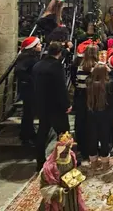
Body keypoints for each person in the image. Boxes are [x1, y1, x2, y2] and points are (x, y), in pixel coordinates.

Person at [33, 42, 72, 170]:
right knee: (63, 133)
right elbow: (61, 88)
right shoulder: (56, 66)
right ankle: (63, 160)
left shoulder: (38, 65)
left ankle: (39, 161)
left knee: (42, 132)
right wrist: (66, 104)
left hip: (41, 104)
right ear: (59, 53)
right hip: (56, 106)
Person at [38, 132, 87, 211]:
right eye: (63, 151)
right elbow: (44, 188)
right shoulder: (49, 168)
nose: (65, 153)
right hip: (59, 199)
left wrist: (76, 179)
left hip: (72, 195)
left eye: (67, 149)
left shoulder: (71, 156)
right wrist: (60, 190)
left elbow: (73, 171)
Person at [14, 36, 42, 145]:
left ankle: (28, 133)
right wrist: (31, 80)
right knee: (29, 112)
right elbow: (20, 71)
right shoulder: (27, 58)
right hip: (29, 89)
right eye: (38, 44)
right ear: (33, 47)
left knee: (30, 112)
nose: (40, 46)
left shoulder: (31, 56)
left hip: (31, 88)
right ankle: (26, 135)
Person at [85, 61, 112, 171]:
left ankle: (93, 163)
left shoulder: (89, 83)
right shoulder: (108, 84)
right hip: (104, 114)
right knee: (104, 138)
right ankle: (105, 163)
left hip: (91, 113)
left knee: (92, 138)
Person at [73, 42, 97, 161]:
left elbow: (77, 84)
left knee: (82, 123)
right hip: (93, 98)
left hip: (81, 97)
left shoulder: (80, 67)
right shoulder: (97, 67)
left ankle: (83, 149)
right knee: (92, 124)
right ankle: (93, 149)